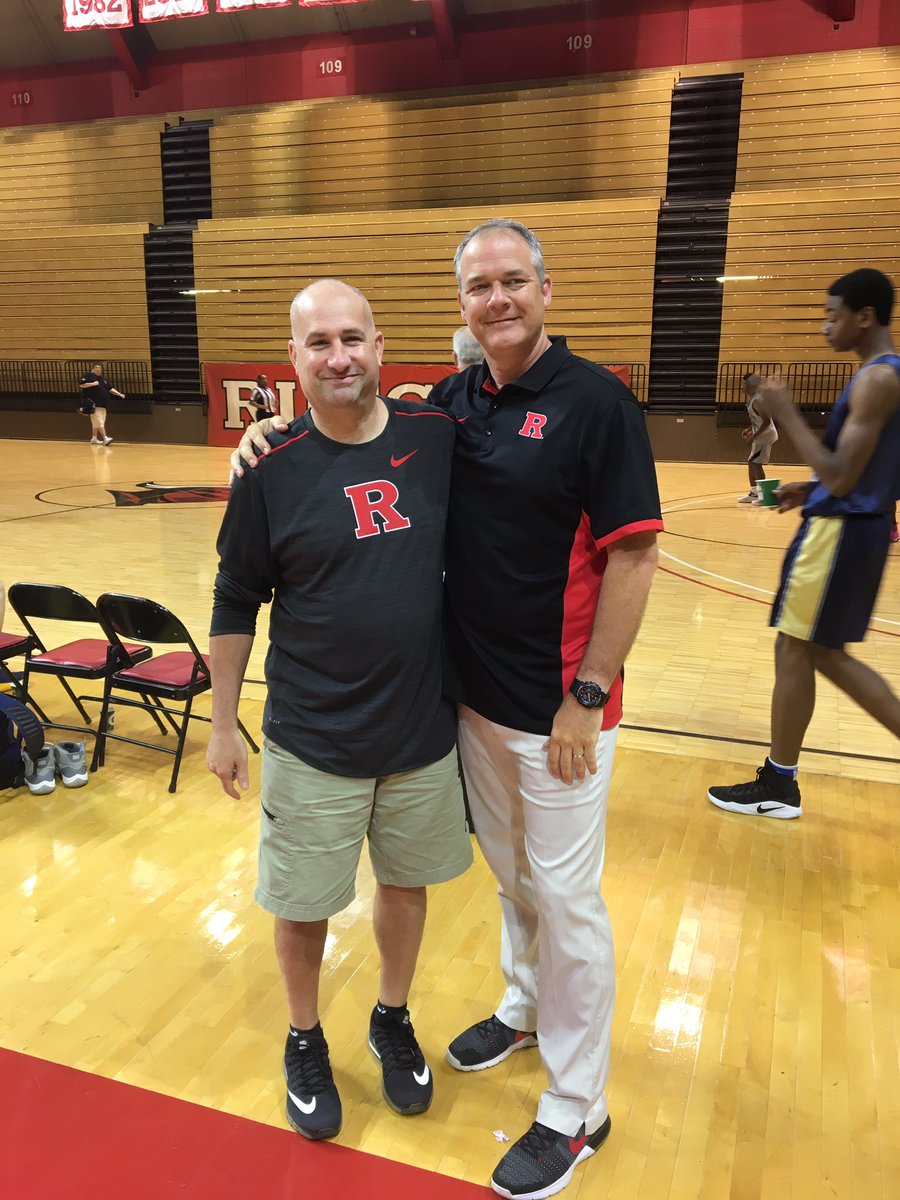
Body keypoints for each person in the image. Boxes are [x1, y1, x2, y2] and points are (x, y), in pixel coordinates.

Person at [233, 220, 663, 1200]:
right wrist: (269, 432)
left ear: (545, 290)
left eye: (514, 281)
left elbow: (635, 556)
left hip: (562, 713)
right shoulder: (456, 403)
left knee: (568, 902)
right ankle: (523, 1007)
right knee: (514, 880)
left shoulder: (598, 404)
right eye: (479, 286)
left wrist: (589, 695)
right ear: (461, 303)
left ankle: (578, 1107)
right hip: (471, 701)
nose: (497, 299)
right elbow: (359, 424)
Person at [208, 279, 473, 1142]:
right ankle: (304, 1036)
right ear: (293, 358)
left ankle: (392, 1017)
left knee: (405, 884)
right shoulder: (269, 468)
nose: (338, 357)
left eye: (352, 338)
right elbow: (235, 596)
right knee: (304, 902)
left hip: (419, 729)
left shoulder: (436, 434)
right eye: (318, 343)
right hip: (312, 735)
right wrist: (221, 724)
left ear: (379, 345)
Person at [708, 267, 900, 820]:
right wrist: (809, 488)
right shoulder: (881, 375)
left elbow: (841, 477)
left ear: (865, 317)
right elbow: (857, 471)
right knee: (799, 647)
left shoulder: (878, 379)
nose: (824, 327)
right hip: (850, 526)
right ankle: (780, 778)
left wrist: (785, 411)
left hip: (840, 533)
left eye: (832, 316)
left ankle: (779, 782)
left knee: (814, 650)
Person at [738, 370, 777, 503]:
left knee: (756, 464)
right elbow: (759, 419)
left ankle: (764, 496)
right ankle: (754, 493)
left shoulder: (758, 401)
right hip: (761, 436)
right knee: (752, 462)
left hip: (765, 437)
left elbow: (766, 422)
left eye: (744, 384)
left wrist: (753, 437)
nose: (742, 386)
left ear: (751, 385)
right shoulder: (755, 399)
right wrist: (750, 429)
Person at [78, 361, 122, 445]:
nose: (98, 369)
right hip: (94, 404)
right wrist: (92, 384)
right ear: (93, 369)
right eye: (97, 368)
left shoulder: (102, 379)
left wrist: (119, 394)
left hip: (103, 405)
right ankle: (105, 438)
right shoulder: (89, 376)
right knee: (99, 422)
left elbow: (110, 388)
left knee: (97, 422)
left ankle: (94, 438)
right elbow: (81, 384)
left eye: (100, 368)